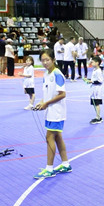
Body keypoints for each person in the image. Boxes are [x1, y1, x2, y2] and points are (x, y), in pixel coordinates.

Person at [33, 50, 72, 179]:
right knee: (58, 137)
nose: (45, 63)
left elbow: (62, 94)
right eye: (42, 60)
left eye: (47, 60)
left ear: (53, 60)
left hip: (57, 112)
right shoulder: (46, 74)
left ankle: (49, 168)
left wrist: (47, 103)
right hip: (50, 111)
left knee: (49, 137)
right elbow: (48, 93)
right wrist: (41, 102)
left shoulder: (57, 74)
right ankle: (65, 164)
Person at [85, 56, 104, 124]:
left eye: (92, 62)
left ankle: (98, 118)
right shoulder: (95, 70)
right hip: (94, 88)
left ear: (97, 63)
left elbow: (100, 81)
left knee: (96, 103)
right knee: (94, 103)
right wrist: (89, 80)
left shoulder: (98, 71)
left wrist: (91, 81)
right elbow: (94, 79)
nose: (91, 63)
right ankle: (98, 116)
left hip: (97, 89)